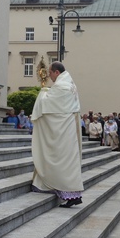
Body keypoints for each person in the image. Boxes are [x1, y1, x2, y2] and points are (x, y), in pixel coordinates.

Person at [30, 62, 83, 208]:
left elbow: (47, 104)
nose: (50, 77)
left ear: (57, 72)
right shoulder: (70, 84)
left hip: (63, 130)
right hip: (68, 128)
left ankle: (71, 193)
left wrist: (42, 93)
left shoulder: (61, 86)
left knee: (63, 160)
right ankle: (72, 193)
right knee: (67, 159)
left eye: (51, 73)